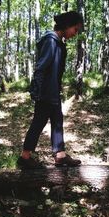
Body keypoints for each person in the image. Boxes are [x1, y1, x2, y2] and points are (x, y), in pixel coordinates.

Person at [17, 11, 83, 169]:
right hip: (45, 92)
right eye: (75, 29)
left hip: (52, 91)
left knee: (57, 120)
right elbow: (41, 68)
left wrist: (58, 84)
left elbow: (54, 69)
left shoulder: (58, 42)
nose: (76, 33)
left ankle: (60, 155)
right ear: (67, 26)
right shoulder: (51, 41)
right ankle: (24, 157)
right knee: (39, 122)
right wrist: (36, 90)